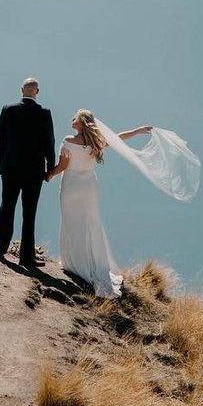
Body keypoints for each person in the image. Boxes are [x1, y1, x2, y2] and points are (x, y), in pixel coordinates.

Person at [46, 109, 153, 297]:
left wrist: (49, 175)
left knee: (72, 221)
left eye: (75, 118)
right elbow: (118, 138)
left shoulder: (68, 141)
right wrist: (137, 131)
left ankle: (74, 263)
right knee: (90, 223)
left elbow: (62, 166)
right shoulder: (96, 142)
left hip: (71, 185)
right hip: (89, 185)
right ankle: (92, 263)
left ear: (82, 123)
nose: (72, 120)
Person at [0, 76, 55, 270]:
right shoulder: (44, 113)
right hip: (34, 171)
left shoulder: (8, 109)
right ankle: (26, 257)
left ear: (21, 90)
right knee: (29, 213)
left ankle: (0, 249)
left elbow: (1, 140)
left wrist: (3, 165)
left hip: (10, 169)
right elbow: (49, 143)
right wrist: (50, 169)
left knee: (7, 206)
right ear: (37, 92)